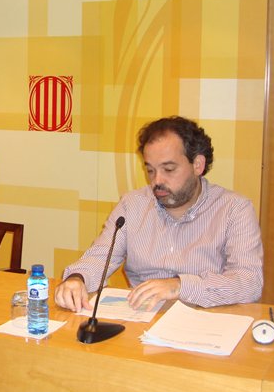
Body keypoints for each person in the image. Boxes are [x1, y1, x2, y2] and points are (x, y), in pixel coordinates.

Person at [55, 115, 263, 312]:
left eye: (169, 169)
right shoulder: (133, 204)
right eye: (151, 170)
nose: (157, 181)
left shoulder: (234, 209)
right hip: (141, 319)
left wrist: (180, 286)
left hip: (206, 321)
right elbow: (101, 257)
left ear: (197, 165)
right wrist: (77, 278)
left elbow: (249, 283)